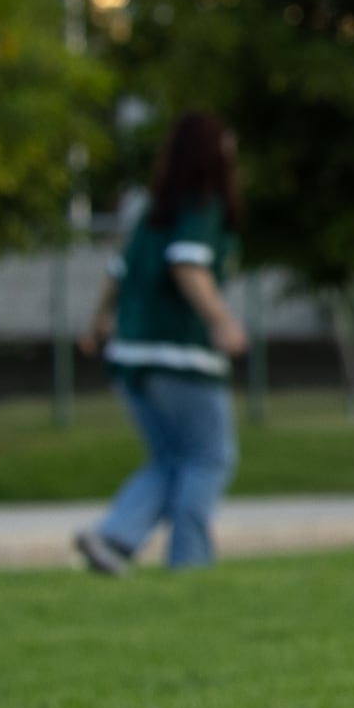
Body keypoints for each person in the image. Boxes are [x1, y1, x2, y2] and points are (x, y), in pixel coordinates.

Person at [72, 109, 251, 576]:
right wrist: (221, 321)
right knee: (209, 457)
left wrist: (96, 326)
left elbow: (117, 273)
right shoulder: (202, 207)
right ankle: (190, 564)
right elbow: (187, 265)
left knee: (172, 458)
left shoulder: (151, 212)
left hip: (130, 355)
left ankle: (113, 536)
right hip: (180, 354)